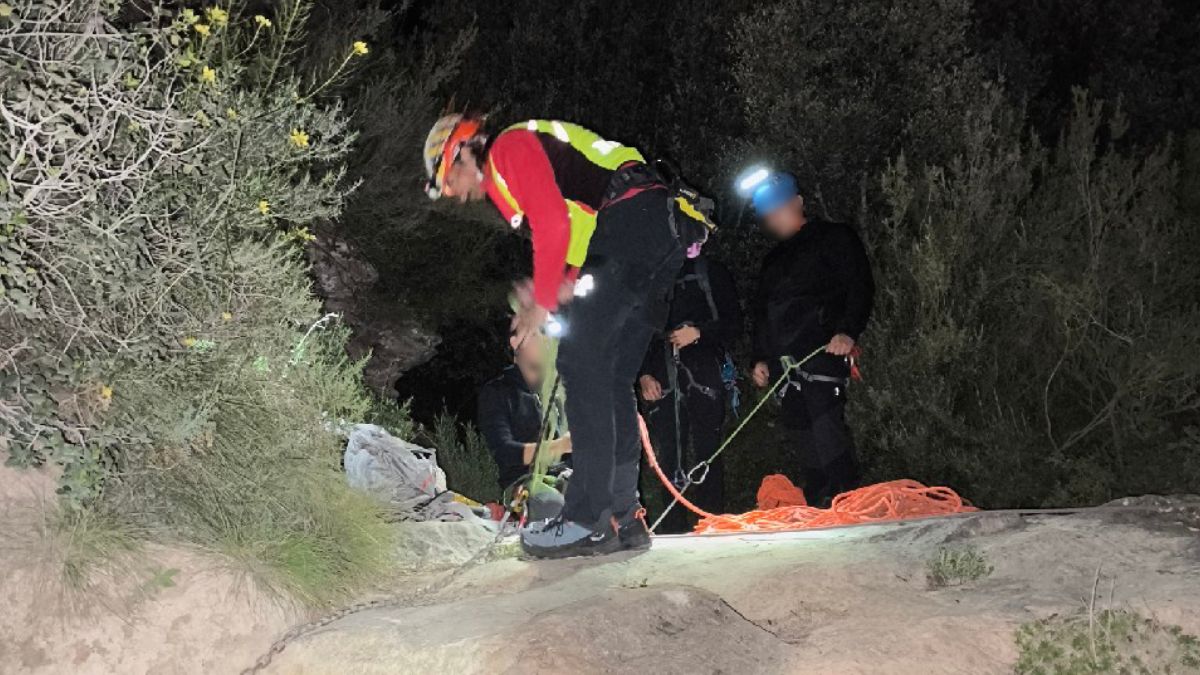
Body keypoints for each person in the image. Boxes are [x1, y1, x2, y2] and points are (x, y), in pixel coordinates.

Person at [423, 115, 711, 557]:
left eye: (448, 181)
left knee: (581, 365)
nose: (455, 195)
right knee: (612, 378)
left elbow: (554, 224)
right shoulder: (525, 174)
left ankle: (586, 518)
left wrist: (540, 302)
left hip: (633, 219)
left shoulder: (509, 149)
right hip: (658, 231)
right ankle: (624, 517)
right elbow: (582, 247)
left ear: (463, 152)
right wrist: (554, 288)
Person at [748, 172, 875, 507]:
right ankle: (819, 504)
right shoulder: (772, 261)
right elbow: (762, 312)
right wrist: (759, 358)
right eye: (768, 214)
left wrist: (847, 331)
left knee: (826, 428)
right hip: (783, 365)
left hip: (822, 350)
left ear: (798, 202)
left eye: (779, 210)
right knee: (801, 435)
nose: (773, 219)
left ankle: (846, 503)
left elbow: (859, 285)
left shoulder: (833, 237)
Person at [638, 254, 741, 532]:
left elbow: (733, 323)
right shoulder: (652, 279)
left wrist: (699, 333)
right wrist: (644, 374)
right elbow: (641, 332)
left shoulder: (710, 271)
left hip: (705, 370)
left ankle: (712, 523)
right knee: (669, 455)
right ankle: (673, 529)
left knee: (708, 450)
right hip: (662, 374)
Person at [477, 337, 571, 519]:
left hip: (565, 476)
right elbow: (505, 452)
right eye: (534, 367)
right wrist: (559, 446)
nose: (542, 375)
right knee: (552, 506)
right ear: (516, 357)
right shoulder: (497, 392)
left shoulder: (556, 394)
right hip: (523, 483)